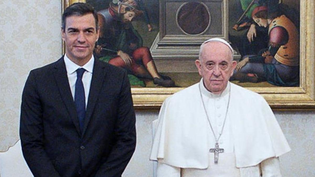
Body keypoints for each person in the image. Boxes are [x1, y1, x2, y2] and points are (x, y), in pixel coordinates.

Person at [20, 3, 136, 177]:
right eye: (74, 31)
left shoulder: (117, 79)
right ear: (63, 33)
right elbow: (31, 142)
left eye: (88, 31)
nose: (81, 38)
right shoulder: (38, 80)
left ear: (97, 34)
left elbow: (126, 140)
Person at [150, 38, 290, 177]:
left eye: (223, 65)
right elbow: (167, 169)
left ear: (232, 67)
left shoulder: (255, 103)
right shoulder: (175, 104)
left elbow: (271, 168)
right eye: (210, 65)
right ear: (199, 67)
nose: (217, 72)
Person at [95, 0, 175, 87]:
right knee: (127, 60)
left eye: (132, 17)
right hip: (106, 59)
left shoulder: (125, 24)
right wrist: (119, 52)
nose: (130, 19)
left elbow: (135, 40)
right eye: (129, 16)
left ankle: (156, 77)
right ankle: (153, 77)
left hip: (122, 54)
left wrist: (132, 42)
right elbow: (99, 47)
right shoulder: (106, 22)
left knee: (143, 50)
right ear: (122, 11)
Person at [233, 5, 299, 86]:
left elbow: (269, 56)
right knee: (245, 58)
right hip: (278, 61)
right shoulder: (279, 20)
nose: (258, 24)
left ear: (263, 16)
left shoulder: (277, 30)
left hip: (285, 69)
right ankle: (253, 76)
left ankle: (228, 75)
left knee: (247, 65)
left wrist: (247, 60)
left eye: (258, 21)